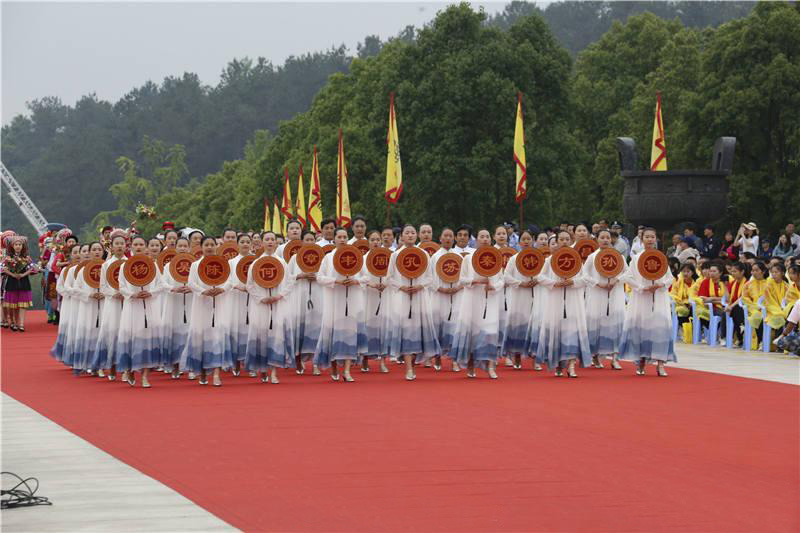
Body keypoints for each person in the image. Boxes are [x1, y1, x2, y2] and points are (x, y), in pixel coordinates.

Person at [385, 225, 441, 380]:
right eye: (406, 233)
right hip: (402, 298)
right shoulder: (395, 255)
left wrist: (420, 285)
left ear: (416, 236)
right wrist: (401, 286)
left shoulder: (424, 254)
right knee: (407, 330)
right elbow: (389, 277)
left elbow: (430, 278)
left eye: (412, 233)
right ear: (401, 236)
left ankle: (415, 360)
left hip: (420, 298)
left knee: (418, 331)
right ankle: (409, 368)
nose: (409, 235)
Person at [619, 227, 676, 376]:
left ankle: (661, 364)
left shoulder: (661, 257)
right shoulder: (637, 258)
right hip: (642, 297)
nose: (650, 239)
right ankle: (641, 362)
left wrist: (660, 285)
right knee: (642, 329)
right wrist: (641, 287)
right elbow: (627, 277)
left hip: (659, 296)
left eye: (652, 237)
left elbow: (670, 278)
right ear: (641, 239)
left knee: (660, 328)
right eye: (647, 237)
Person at [535, 230, 591, 377]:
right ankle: (558, 364)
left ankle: (571, 365)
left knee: (571, 331)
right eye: (562, 239)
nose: (565, 242)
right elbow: (539, 277)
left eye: (567, 239)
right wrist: (554, 283)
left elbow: (586, 279)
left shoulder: (577, 260)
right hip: (555, 301)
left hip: (573, 301)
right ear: (557, 241)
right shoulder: (550, 260)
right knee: (557, 332)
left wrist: (573, 281)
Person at [313, 227, 365, 382]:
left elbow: (367, 277)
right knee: (332, 334)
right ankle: (334, 367)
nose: (342, 239)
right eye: (339, 237)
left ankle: (347, 371)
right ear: (334, 239)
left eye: (345, 236)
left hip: (352, 301)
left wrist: (356, 281)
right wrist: (336, 281)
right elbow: (319, 278)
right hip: (333, 301)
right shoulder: (328, 258)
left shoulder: (356, 256)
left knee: (350, 334)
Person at [451, 229, 503, 378]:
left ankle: (491, 366)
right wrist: (475, 281)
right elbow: (462, 279)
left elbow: (501, 279)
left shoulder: (496, 257)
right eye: (482, 236)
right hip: (472, 299)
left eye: (487, 236)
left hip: (491, 299)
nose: (485, 239)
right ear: (477, 239)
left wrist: (494, 286)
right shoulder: (469, 258)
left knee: (490, 332)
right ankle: (471, 365)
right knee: (473, 333)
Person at [245, 231, 296, 384]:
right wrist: (262, 298)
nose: (270, 242)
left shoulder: (282, 263)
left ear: (276, 243)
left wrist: (279, 296)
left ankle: (274, 371)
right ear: (261, 243)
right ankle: (263, 369)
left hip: (278, 304)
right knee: (262, 336)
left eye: (272, 239)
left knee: (277, 336)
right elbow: (250, 285)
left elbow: (289, 282)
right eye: (267, 239)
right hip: (261, 305)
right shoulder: (255, 264)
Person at [180, 236, 231, 386]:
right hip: (201, 304)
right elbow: (191, 283)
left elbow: (230, 281)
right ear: (201, 247)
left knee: (217, 337)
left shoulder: (224, 264)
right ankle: (201, 372)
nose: (209, 247)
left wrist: (222, 289)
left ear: (216, 246)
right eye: (206, 244)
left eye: (212, 244)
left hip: (220, 303)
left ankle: (216, 374)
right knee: (201, 337)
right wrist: (203, 291)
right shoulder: (196, 265)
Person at [116, 236, 163, 388]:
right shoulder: (125, 266)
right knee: (132, 338)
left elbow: (161, 284)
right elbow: (121, 286)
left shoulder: (153, 266)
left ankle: (145, 376)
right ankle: (129, 369)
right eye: (135, 244)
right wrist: (132, 294)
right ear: (131, 247)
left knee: (148, 339)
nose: (138, 247)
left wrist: (151, 292)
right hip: (132, 306)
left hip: (149, 305)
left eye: (141, 244)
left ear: (146, 247)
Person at [581, 229, 627, 369]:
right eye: (602, 237)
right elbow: (584, 275)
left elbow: (627, 272)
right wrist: (597, 283)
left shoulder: (619, 257)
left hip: (614, 293)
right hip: (597, 294)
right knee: (596, 324)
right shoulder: (592, 257)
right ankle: (595, 355)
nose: (606, 240)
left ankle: (614, 357)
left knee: (615, 323)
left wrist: (616, 280)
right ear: (597, 239)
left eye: (608, 237)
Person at [89, 234, 128, 379]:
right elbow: (103, 286)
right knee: (112, 334)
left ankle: (125, 369)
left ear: (126, 246)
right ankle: (111, 367)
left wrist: (126, 293)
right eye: (116, 243)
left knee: (126, 334)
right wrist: (114, 293)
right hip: (112, 303)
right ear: (111, 247)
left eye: (121, 243)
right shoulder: (106, 265)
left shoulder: (130, 263)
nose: (119, 246)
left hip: (127, 302)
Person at [502, 230, 539, 369]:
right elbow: (506, 276)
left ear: (533, 240)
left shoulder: (539, 258)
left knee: (534, 325)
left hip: (535, 295)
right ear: (519, 242)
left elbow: (544, 274)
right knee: (518, 325)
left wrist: (537, 280)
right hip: (519, 296)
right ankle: (516, 356)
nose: (526, 241)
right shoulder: (514, 258)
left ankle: (535, 357)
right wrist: (520, 283)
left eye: (529, 239)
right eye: (523, 239)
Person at [288, 230, 323, 375]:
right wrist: (300, 275)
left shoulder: (322, 257)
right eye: (307, 240)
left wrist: (317, 277)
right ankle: (298, 360)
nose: (310, 242)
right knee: (299, 328)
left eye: (312, 240)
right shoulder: (295, 259)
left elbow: (327, 276)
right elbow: (287, 278)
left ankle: (315, 363)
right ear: (301, 241)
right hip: (299, 298)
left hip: (317, 296)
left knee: (316, 327)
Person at [429, 227, 462, 370]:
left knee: (455, 327)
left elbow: (465, 276)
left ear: (453, 238)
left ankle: (455, 360)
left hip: (456, 295)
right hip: (439, 295)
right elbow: (429, 278)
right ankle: (437, 358)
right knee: (438, 326)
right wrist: (441, 288)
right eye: (445, 236)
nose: (448, 238)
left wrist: (458, 287)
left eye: (450, 236)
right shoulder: (435, 257)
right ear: (440, 238)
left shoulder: (460, 257)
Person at [72, 242, 107, 373]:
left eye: (99, 249)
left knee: (102, 334)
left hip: (104, 304)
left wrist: (106, 293)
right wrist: (90, 294)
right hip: (89, 306)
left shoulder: (108, 268)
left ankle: (101, 364)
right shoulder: (82, 271)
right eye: (94, 249)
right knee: (90, 334)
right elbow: (76, 289)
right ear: (89, 252)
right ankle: (88, 363)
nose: (97, 252)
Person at [359, 230, 391, 372]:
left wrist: (386, 283)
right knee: (368, 327)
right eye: (372, 239)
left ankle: (383, 361)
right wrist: (370, 284)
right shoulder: (363, 259)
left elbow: (393, 275)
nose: (376, 242)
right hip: (368, 298)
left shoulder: (389, 257)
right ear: (368, 242)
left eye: (378, 239)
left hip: (384, 296)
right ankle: (365, 360)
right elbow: (359, 277)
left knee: (383, 328)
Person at [223, 233, 252, 376]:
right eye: (243, 242)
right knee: (236, 329)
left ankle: (250, 363)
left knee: (250, 331)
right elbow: (226, 280)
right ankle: (235, 364)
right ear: (238, 244)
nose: (245, 244)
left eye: (248, 242)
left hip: (252, 300)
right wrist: (237, 285)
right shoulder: (231, 262)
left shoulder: (256, 261)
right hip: (235, 299)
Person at [50, 243, 81, 362]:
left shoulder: (89, 270)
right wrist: (71, 294)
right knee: (71, 328)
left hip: (85, 303)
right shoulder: (66, 270)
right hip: (69, 303)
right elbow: (60, 287)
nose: (78, 255)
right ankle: (69, 355)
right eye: (75, 252)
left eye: (80, 252)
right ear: (70, 255)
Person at [2, 236, 37, 332]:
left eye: (20, 244)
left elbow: (33, 269)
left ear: (23, 246)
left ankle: (21, 324)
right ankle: (13, 322)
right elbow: (2, 269)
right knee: (13, 304)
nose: (18, 246)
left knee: (22, 304)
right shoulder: (8, 258)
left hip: (23, 281)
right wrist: (12, 274)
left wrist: (22, 274)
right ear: (12, 246)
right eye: (16, 244)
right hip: (11, 282)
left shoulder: (26, 257)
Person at [695, 261, 728, 342]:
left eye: (714, 271)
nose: (711, 273)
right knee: (700, 312)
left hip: (725, 306)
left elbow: (728, 299)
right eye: (710, 271)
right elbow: (703, 298)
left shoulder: (725, 282)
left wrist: (712, 299)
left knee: (725, 313)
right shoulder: (705, 282)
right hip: (711, 307)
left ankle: (722, 336)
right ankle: (714, 333)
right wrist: (717, 300)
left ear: (720, 273)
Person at [724, 262, 748, 346]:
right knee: (726, 312)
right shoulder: (733, 283)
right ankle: (725, 337)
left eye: (735, 271)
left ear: (742, 272)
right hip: (733, 306)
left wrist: (731, 306)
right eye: (732, 271)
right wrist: (725, 287)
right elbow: (728, 298)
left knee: (736, 309)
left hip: (744, 306)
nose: (732, 273)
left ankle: (740, 337)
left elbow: (742, 298)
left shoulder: (746, 283)